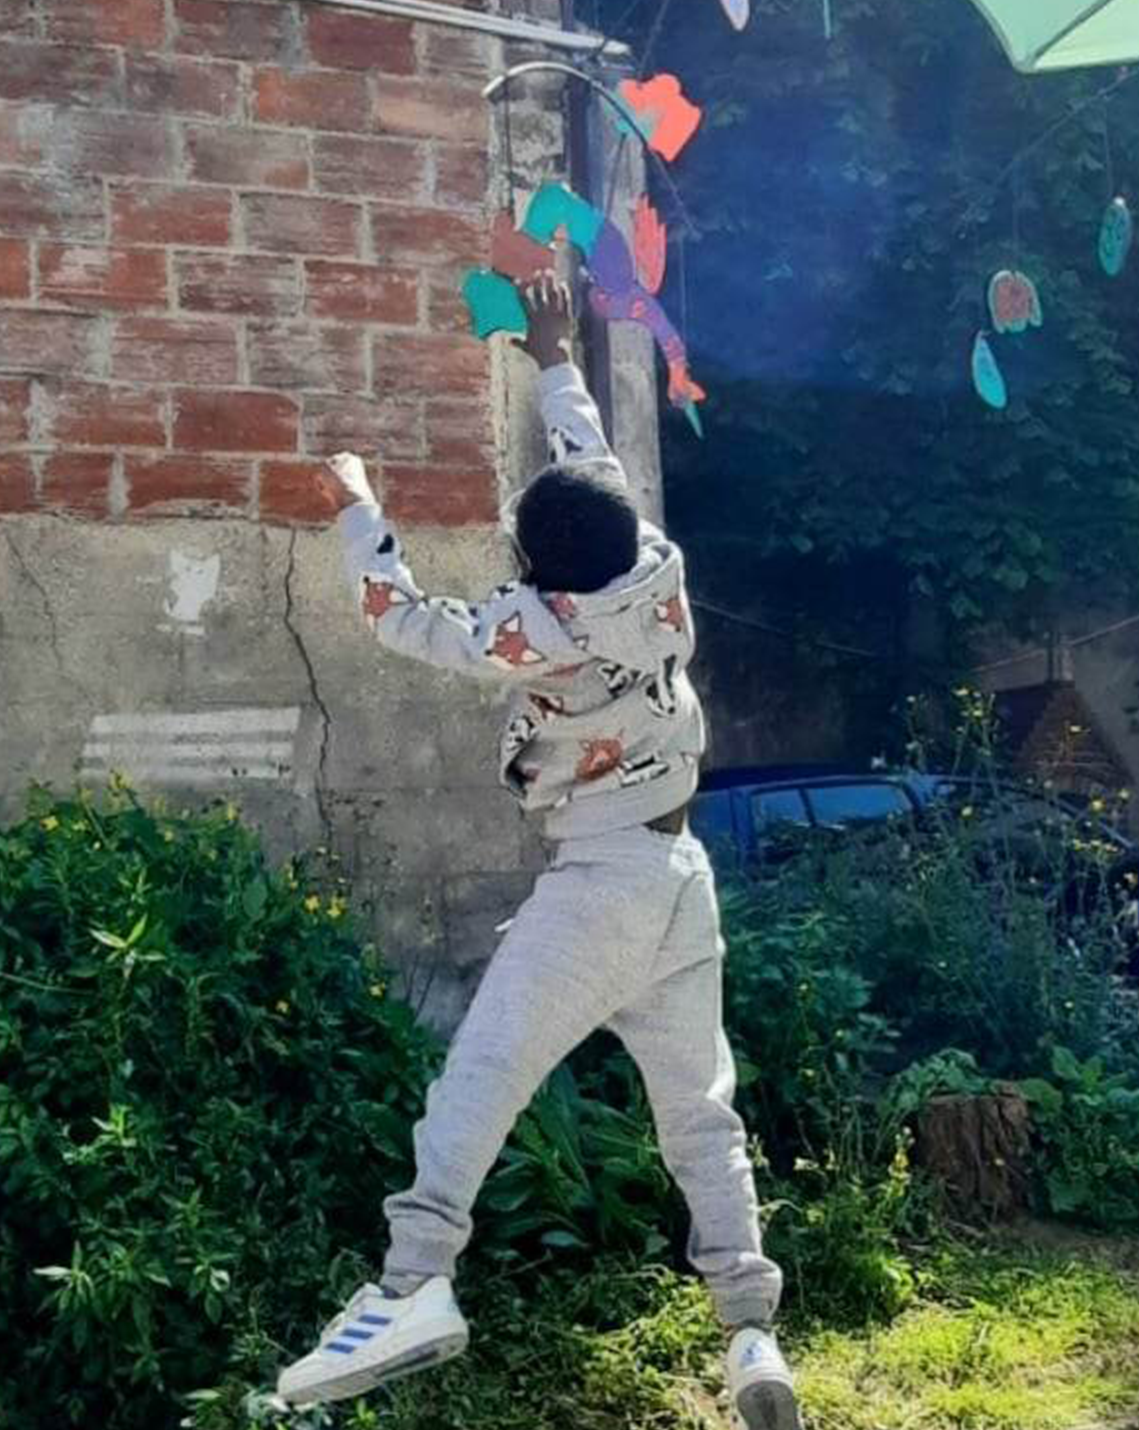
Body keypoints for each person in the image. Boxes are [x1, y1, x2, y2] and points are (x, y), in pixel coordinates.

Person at [277, 274, 798, 1430]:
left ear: (546, 578)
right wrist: (556, 353)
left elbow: (402, 617)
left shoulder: (540, 632)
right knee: (699, 1113)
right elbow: (593, 459)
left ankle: (410, 1283)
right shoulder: (657, 568)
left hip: (603, 879)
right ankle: (750, 1328)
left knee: (481, 1071)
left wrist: (359, 503)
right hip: (678, 876)